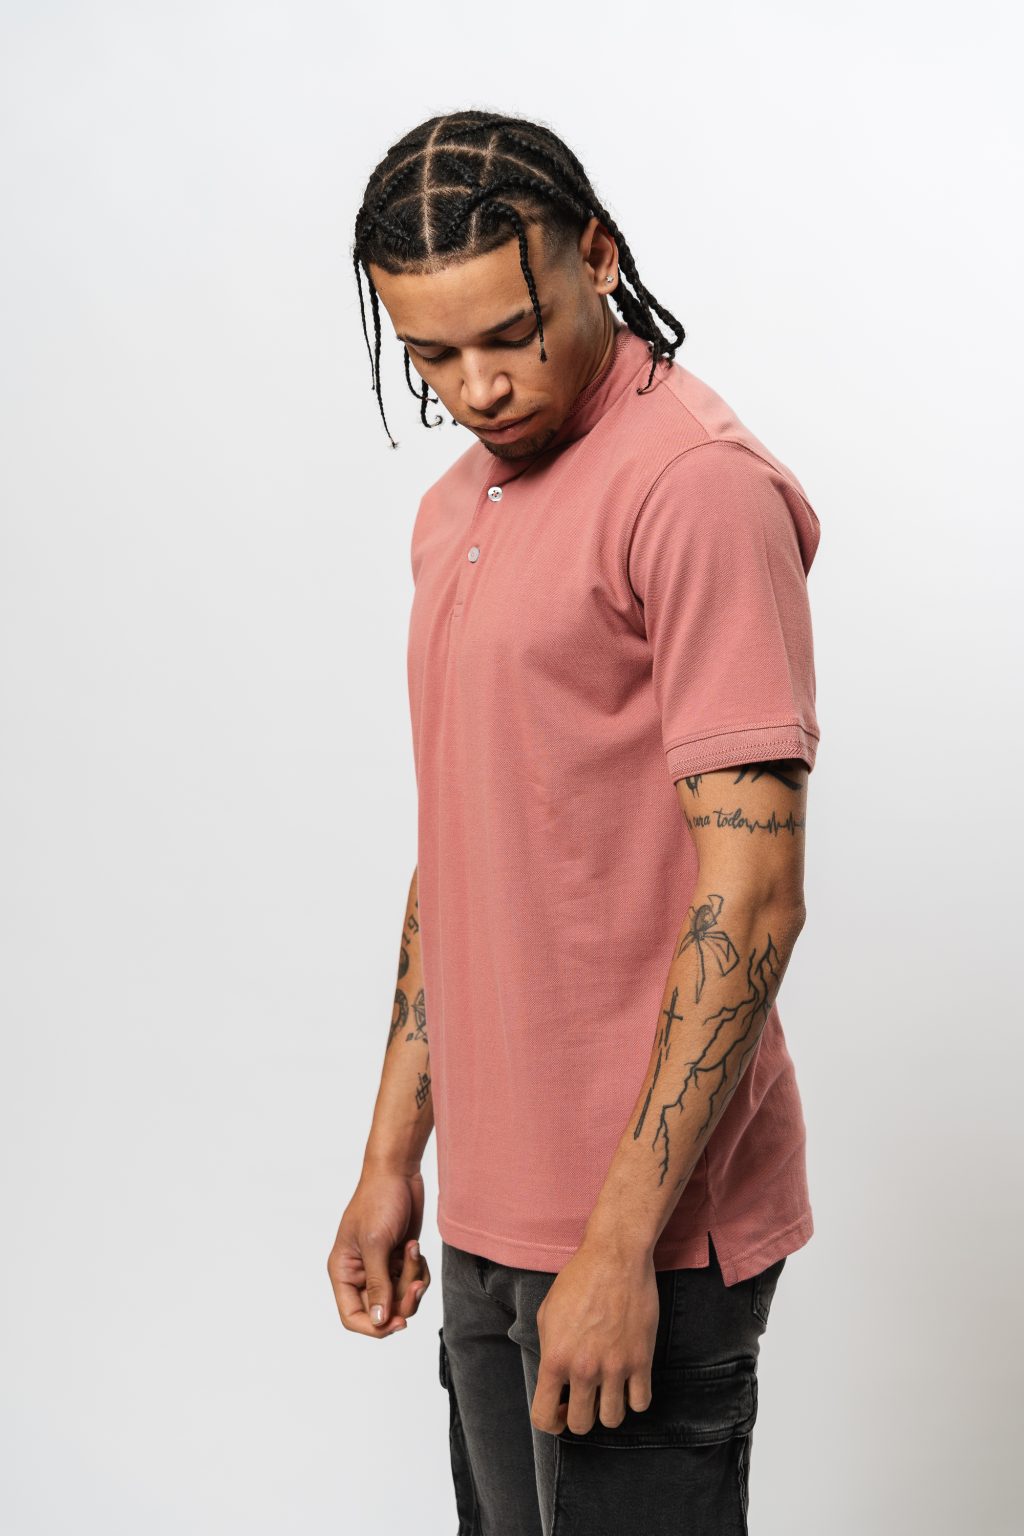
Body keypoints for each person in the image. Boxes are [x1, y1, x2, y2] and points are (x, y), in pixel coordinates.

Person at [327, 108, 822, 1536]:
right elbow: (465, 850)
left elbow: (756, 892)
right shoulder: (457, 506)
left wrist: (621, 1250)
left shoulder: (693, 488)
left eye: (509, 334)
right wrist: (390, 1159)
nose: (478, 387)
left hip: (644, 1231)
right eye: (430, 356)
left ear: (596, 255)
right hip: (490, 1211)